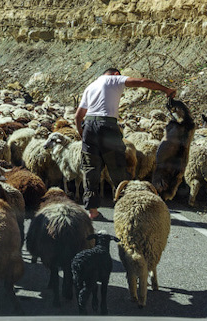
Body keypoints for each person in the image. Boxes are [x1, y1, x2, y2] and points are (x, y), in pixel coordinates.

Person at [74, 68, 176, 220]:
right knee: (117, 167)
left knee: (91, 170)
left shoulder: (91, 86)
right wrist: (166, 89)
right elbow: (143, 82)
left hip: (89, 127)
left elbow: (78, 116)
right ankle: (126, 206)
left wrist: (83, 134)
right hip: (107, 126)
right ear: (116, 74)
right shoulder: (114, 80)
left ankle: (92, 211)